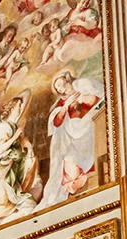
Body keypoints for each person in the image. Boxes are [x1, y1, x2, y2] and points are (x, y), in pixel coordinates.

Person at [35, 70, 105, 210]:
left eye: (61, 84)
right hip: (70, 141)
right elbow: (56, 122)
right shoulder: (62, 105)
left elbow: (98, 99)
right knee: (70, 170)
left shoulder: (82, 87)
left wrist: (82, 100)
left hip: (90, 128)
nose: (60, 88)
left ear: (67, 81)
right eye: (58, 88)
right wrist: (66, 107)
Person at [0, 94, 41, 228]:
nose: (21, 109)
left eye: (21, 107)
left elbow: (22, 142)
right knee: (4, 202)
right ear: (12, 108)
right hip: (5, 169)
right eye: (19, 106)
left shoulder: (13, 126)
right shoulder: (5, 127)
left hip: (13, 168)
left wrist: (29, 148)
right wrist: (14, 137)